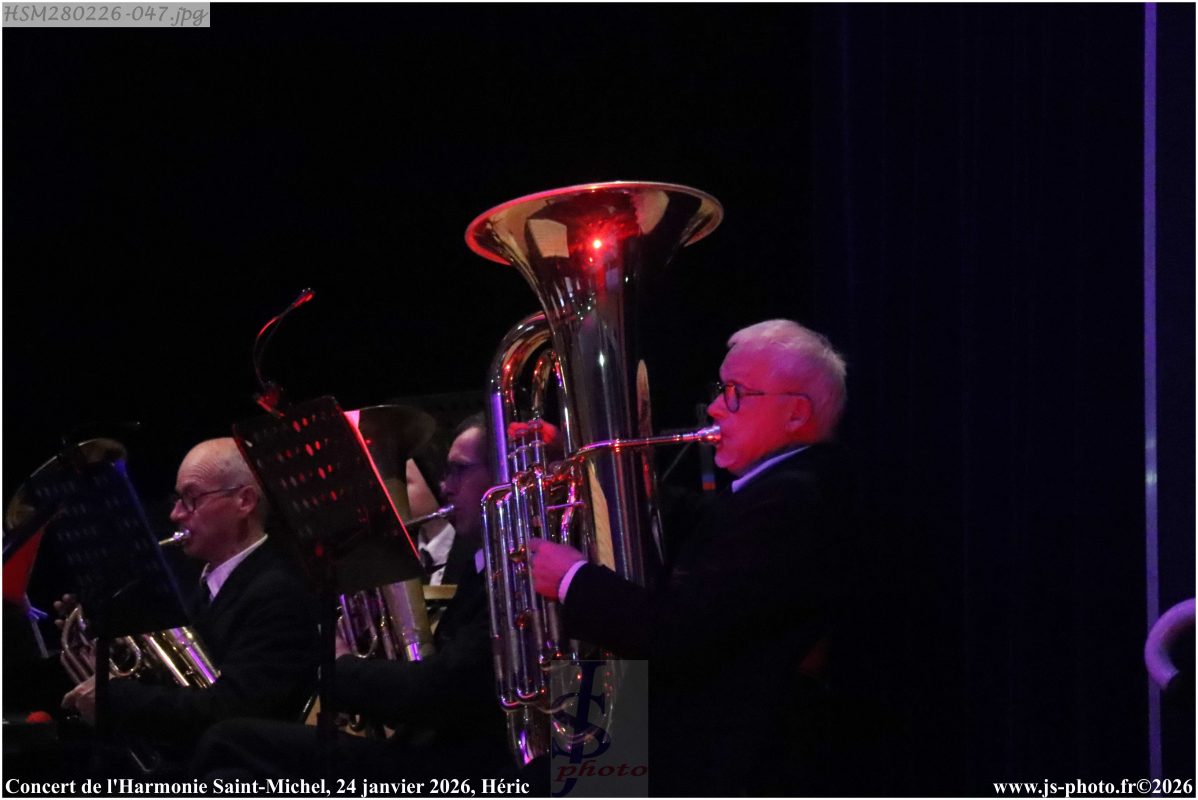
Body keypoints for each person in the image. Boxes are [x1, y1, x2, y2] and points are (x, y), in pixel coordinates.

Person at [528, 319, 852, 796]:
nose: (716, 407)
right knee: (536, 772)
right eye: (720, 390)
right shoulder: (778, 489)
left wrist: (570, 579)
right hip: (681, 729)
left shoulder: (794, 499)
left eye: (736, 393)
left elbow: (676, 631)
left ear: (795, 414)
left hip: (714, 756)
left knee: (508, 784)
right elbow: (698, 521)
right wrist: (585, 465)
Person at [189, 414, 510, 781]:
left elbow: (439, 689)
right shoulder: (483, 568)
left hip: (459, 770)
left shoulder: (512, 573)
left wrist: (340, 664)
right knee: (230, 760)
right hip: (426, 750)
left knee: (227, 743)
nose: (445, 486)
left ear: (502, 474)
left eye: (460, 470)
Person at [58, 437, 320, 768]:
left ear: (244, 501)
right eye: (177, 499)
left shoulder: (278, 591)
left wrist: (117, 697)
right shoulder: (204, 584)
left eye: (190, 499)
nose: (175, 513)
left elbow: (232, 711)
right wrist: (102, 641)